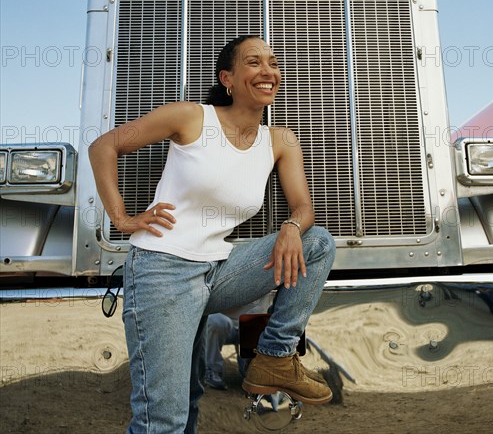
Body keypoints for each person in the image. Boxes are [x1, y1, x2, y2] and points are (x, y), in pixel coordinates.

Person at [89, 35, 336, 433]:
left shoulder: (281, 140)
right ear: (228, 78)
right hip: (163, 270)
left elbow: (303, 207)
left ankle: (274, 357)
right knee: (168, 416)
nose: (267, 71)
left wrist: (292, 227)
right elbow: (104, 146)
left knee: (318, 242)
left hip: (218, 271)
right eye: (254, 63)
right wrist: (121, 218)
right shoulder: (190, 117)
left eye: (272, 63)